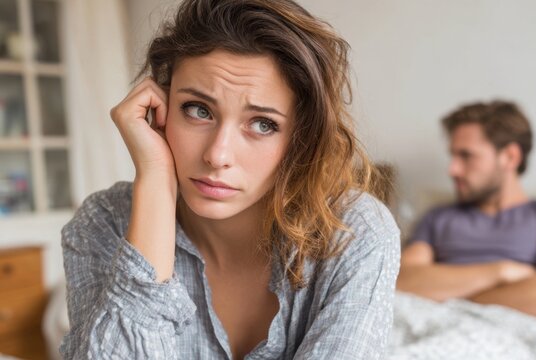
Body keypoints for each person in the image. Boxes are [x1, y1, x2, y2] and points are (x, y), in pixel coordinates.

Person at [60, 0, 400, 358]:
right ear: (161, 108)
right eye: (198, 110)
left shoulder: (354, 231)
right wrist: (156, 180)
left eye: (262, 124)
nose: (217, 155)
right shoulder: (105, 222)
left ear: (302, 138)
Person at [396, 100, 536, 323]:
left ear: (510, 157)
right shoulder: (438, 218)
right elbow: (401, 282)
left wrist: (447, 291)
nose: (452, 169)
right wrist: (500, 272)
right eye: (453, 156)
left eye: (466, 156)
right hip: (426, 322)